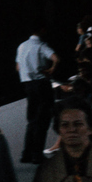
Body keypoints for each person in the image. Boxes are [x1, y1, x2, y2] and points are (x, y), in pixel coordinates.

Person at [16, 25, 60, 164]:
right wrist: (51, 69)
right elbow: (56, 58)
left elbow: (18, 67)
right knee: (42, 120)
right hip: (41, 84)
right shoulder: (41, 45)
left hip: (28, 85)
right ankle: (37, 155)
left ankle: (26, 154)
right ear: (42, 30)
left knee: (32, 120)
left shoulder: (21, 46)